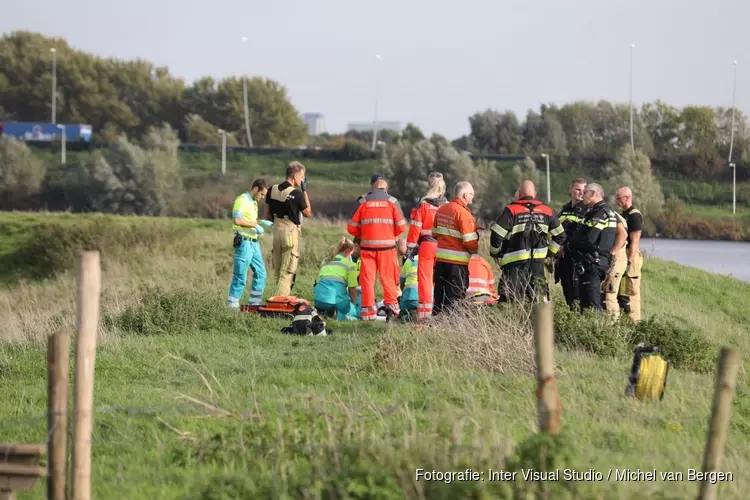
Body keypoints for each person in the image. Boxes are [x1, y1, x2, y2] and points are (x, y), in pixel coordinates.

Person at [489, 180, 566, 304]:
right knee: (540, 303)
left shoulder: (511, 210)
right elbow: (561, 236)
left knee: (509, 303)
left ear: (518, 194)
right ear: (534, 194)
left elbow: (496, 235)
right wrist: (549, 253)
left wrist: (495, 253)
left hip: (514, 267)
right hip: (538, 266)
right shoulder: (547, 211)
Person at [346, 177, 406, 321]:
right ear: (386, 188)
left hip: (367, 248)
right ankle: (392, 310)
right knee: (388, 279)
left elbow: (351, 227)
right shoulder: (392, 202)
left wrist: (364, 233)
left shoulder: (363, 201)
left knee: (367, 280)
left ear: (373, 187)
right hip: (387, 248)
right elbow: (401, 226)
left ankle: (367, 314)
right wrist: (392, 234)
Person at [565, 183, 618, 313]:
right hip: (592, 262)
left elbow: (589, 239)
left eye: (585, 192)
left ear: (594, 194)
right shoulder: (597, 211)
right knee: (585, 303)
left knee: (592, 303)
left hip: (593, 262)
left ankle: (596, 331)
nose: (582, 195)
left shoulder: (600, 212)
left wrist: (570, 244)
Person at [405, 172, 449, 321]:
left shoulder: (423, 205)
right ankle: (440, 310)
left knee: (424, 278)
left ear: (429, 186)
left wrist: (410, 247)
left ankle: (424, 314)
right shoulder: (448, 206)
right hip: (444, 247)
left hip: (427, 245)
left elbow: (415, 227)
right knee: (441, 277)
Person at [265, 161, 312, 296]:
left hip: (276, 230)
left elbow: (267, 215)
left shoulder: (271, 189)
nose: (303, 180)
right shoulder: (297, 194)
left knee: (277, 270)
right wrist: (305, 191)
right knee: (287, 272)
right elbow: (308, 213)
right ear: (295, 175)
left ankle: (274, 299)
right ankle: (281, 304)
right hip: (290, 231)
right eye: (302, 176)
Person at [432, 181, 479, 315]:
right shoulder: (464, 215)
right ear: (464, 195)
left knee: (439, 296)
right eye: (471, 194)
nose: (472, 198)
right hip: (457, 265)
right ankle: (452, 326)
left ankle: (437, 323)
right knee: (455, 299)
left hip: (441, 262)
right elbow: (470, 243)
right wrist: (474, 251)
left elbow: (434, 233)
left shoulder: (441, 209)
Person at [227, 179, 272, 310]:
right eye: (262, 194)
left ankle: (254, 305)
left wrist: (261, 222)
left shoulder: (253, 202)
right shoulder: (242, 200)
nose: (263, 198)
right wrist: (255, 225)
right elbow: (237, 219)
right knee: (240, 275)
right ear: (256, 189)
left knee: (261, 273)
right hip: (244, 243)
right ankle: (232, 307)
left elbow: (249, 219)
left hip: (254, 243)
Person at [555, 178, 588, 310]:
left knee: (577, 295)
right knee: (567, 291)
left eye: (584, 190)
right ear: (570, 190)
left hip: (577, 258)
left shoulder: (587, 210)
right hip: (563, 258)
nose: (581, 193)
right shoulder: (565, 209)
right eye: (578, 189)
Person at [313, 237, 360, 321]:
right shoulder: (350, 265)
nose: (351, 257)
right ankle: (345, 317)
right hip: (336, 302)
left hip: (319, 301)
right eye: (351, 254)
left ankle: (328, 313)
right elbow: (352, 290)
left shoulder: (326, 261)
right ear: (347, 252)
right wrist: (354, 304)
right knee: (358, 312)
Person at [615, 186, 644, 322]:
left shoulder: (635, 216)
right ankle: (624, 319)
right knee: (622, 291)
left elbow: (634, 242)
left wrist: (628, 261)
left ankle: (634, 321)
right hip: (624, 255)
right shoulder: (624, 214)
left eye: (618, 198)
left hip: (631, 255)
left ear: (627, 198)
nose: (616, 201)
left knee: (631, 291)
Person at [602, 209, 629, 317]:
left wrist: (612, 253)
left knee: (610, 295)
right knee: (608, 294)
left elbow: (623, 235)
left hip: (616, 260)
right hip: (616, 259)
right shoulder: (615, 215)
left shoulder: (611, 215)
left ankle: (612, 326)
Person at [399, 249, 419, 317]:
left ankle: (408, 315)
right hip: (424, 301)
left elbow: (401, 283)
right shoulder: (427, 260)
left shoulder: (408, 261)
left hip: (407, 300)